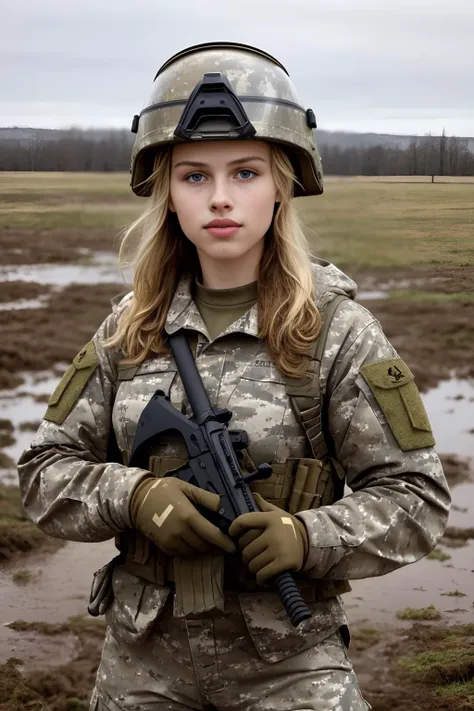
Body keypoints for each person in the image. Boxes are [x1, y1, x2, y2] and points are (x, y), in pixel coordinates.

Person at [17, 42, 450, 711]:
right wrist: (133, 496)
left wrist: (309, 537)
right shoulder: (126, 328)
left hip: (290, 662)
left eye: (245, 172)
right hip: (141, 662)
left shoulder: (337, 330)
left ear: (283, 183)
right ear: (166, 193)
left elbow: (418, 498)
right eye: (194, 176)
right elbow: (43, 472)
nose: (220, 199)